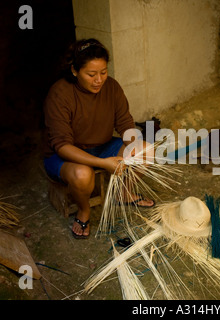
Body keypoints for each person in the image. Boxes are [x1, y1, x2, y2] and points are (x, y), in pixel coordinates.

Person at [43, 38, 154, 239]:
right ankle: (84, 211)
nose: (99, 80)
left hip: (102, 146)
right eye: (91, 74)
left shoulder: (111, 87)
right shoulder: (59, 93)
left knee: (146, 151)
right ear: (75, 71)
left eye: (103, 72)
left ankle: (124, 193)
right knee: (83, 175)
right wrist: (102, 163)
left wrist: (133, 147)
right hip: (65, 155)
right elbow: (61, 145)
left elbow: (125, 124)